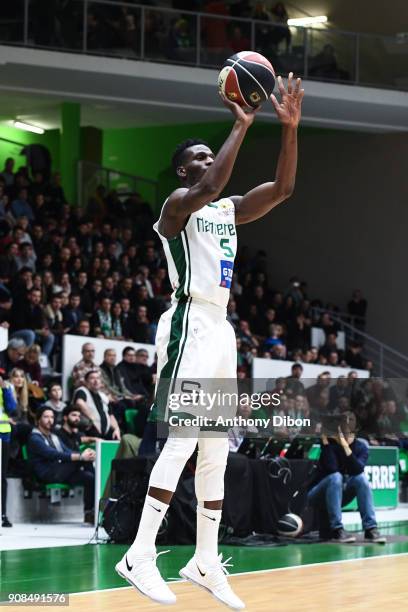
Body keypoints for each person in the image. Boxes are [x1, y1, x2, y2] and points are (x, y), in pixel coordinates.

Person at [115, 73, 304, 608]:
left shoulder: (226, 210)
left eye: (208, 153)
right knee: (182, 440)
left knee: (215, 453)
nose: (206, 160)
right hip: (188, 325)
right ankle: (140, 554)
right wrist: (241, 123)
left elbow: (284, 190)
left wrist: (288, 129)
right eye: (198, 155)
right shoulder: (179, 204)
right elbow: (208, 187)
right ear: (183, 170)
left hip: (220, 330)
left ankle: (203, 558)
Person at [307, 412, 386, 543]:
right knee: (335, 477)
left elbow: (357, 469)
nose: (347, 422)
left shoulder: (361, 447)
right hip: (318, 494)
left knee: (361, 479)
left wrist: (344, 445)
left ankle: (370, 529)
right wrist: (326, 443)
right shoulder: (330, 445)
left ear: (356, 426)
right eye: (344, 419)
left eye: (351, 419)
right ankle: (337, 529)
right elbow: (331, 469)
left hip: (340, 495)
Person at [27, 407, 96, 523]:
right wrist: (81, 457)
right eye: (46, 417)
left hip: (61, 472)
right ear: (38, 420)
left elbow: (67, 451)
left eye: (52, 417)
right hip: (47, 474)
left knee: (90, 478)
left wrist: (83, 455)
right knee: (84, 459)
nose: (50, 420)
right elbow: (53, 454)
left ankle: (89, 512)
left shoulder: (54, 437)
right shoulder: (34, 438)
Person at [73, 369, 121, 440]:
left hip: (105, 431)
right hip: (89, 430)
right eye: (92, 378)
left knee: (118, 437)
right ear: (86, 382)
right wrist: (93, 419)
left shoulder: (103, 396)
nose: (96, 380)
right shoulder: (82, 391)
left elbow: (110, 415)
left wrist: (116, 429)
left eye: (98, 378)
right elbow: (80, 402)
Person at [0, 375, 18, 527]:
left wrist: (5, 389)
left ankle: (2, 514)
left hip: (3, 436)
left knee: (1, 477)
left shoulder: (6, 387)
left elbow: (12, 409)